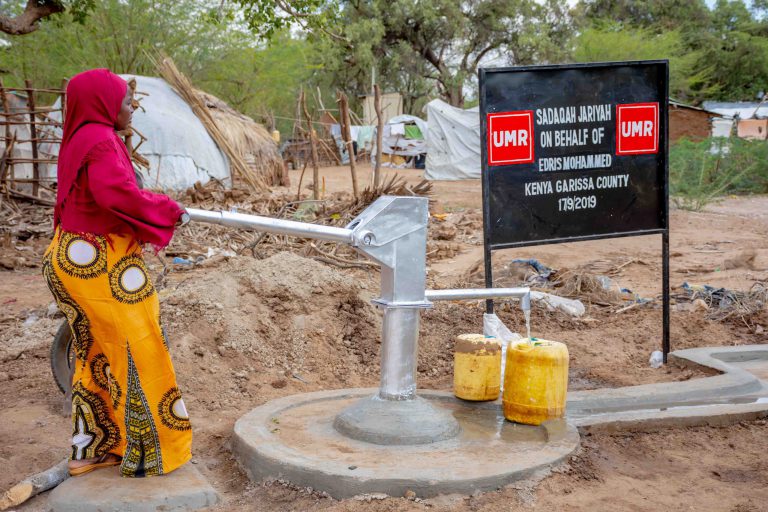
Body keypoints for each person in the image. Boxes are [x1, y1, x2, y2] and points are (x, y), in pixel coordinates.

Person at [42, 69, 192, 477]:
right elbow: (116, 196)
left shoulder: (77, 136)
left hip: (74, 258)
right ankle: (149, 452)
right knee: (138, 353)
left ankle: (94, 448)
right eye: (127, 102)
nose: (132, 109)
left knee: (96, 358)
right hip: (99, 266)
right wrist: (167, 210)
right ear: (105, 104)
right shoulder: (102, 140)